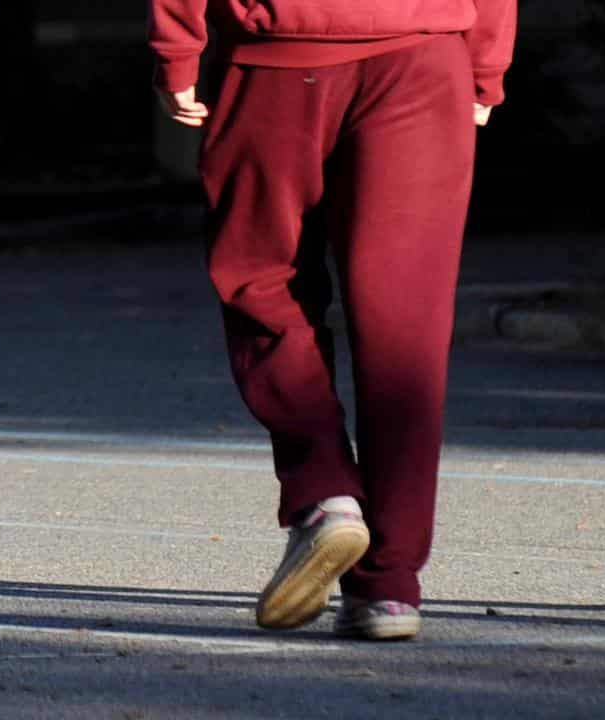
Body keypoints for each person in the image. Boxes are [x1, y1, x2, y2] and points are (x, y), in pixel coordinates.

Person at [148, 0, 517, 640]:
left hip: (278, 60)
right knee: (407, 324)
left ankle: (324, 494)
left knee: (263, 281)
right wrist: (485, 61)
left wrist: (178, 49)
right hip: (425, 55)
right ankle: (388, 588)